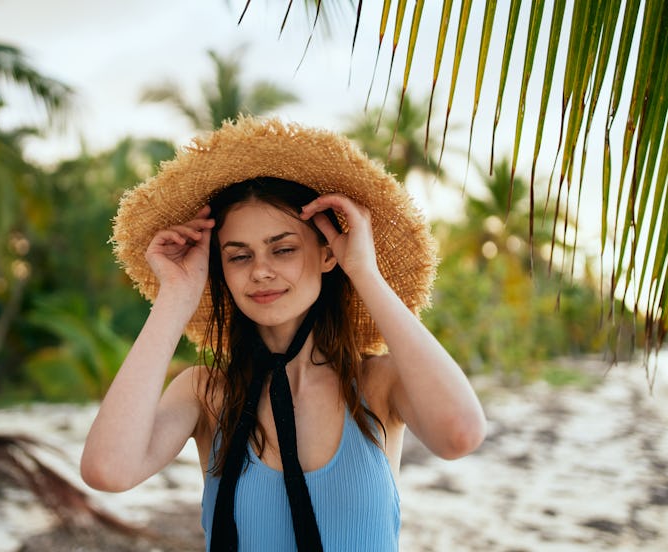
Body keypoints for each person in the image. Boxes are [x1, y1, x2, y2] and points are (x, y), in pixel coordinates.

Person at [81, 117, 486, 551]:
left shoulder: (375, 385)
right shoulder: (205, 394)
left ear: (329, 253)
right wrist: (176, 295)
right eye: (238, 257)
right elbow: (108, 470)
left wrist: (364, 273)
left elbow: (460, 434)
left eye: (284, 249)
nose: (260, 271)